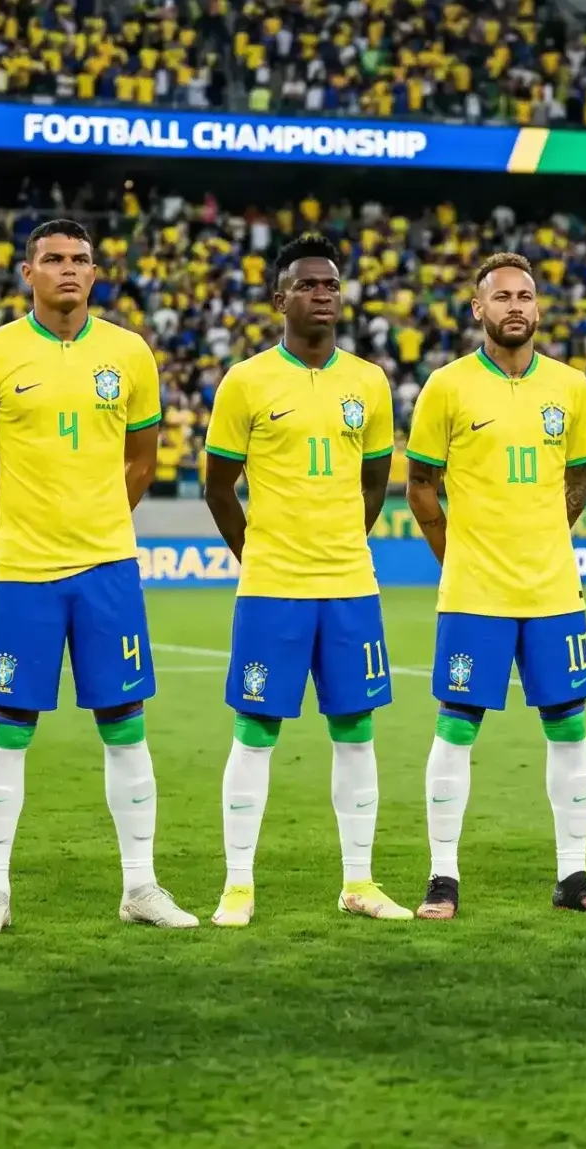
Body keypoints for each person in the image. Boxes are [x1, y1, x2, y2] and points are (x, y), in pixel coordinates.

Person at [0, 219, 196, 935]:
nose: (67, 269)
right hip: (23, 570)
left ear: (95, 273)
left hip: (108, 569)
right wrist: (16, 527)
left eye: (80, 259)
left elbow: (143, 457)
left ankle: (141, 884)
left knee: (125, 726)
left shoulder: (130, 352)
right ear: (27, 270)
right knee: (9, 726)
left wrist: (95, 523)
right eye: (52, 258)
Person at [404, 252, 586, 919]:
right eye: (502, 296)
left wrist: (541, 539)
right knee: (457, 727)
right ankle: (443, 876)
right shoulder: (446, 386)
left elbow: (579, 477)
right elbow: (421, 488)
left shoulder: (570, 388)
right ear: (479, 309)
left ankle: (573, 876)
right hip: (475, 593)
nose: (516, 306)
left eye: (526, 295)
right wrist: (460, 555)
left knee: (569, 727)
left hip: (554, 592)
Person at [202, 234, 409, 927]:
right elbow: (219, 486)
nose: (323, 294)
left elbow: (376, 480)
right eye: (308, 284)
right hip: (271, 588)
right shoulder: (247, 380)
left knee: (355, 731)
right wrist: (257, 551)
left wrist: (342, 539)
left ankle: (359, 880)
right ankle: (237, 885)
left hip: (351, 586)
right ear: (279, 298)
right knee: (255, 728)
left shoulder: (369, 381)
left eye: (331, 283)